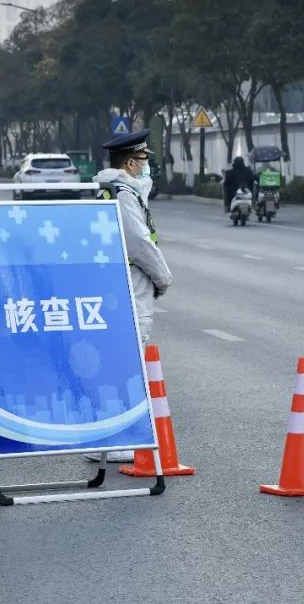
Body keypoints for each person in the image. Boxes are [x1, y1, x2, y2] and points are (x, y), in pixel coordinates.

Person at [89, 132, 173, 464]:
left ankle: (105, 441)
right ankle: (114, 441)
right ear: (129, 162)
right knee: (125, 362)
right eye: (144, 160)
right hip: (130, 281)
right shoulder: (122, 194)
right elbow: (139, 242)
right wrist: (163, 277)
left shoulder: (111, 189)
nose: (146, 166)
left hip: (116, 281)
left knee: (116, 360)